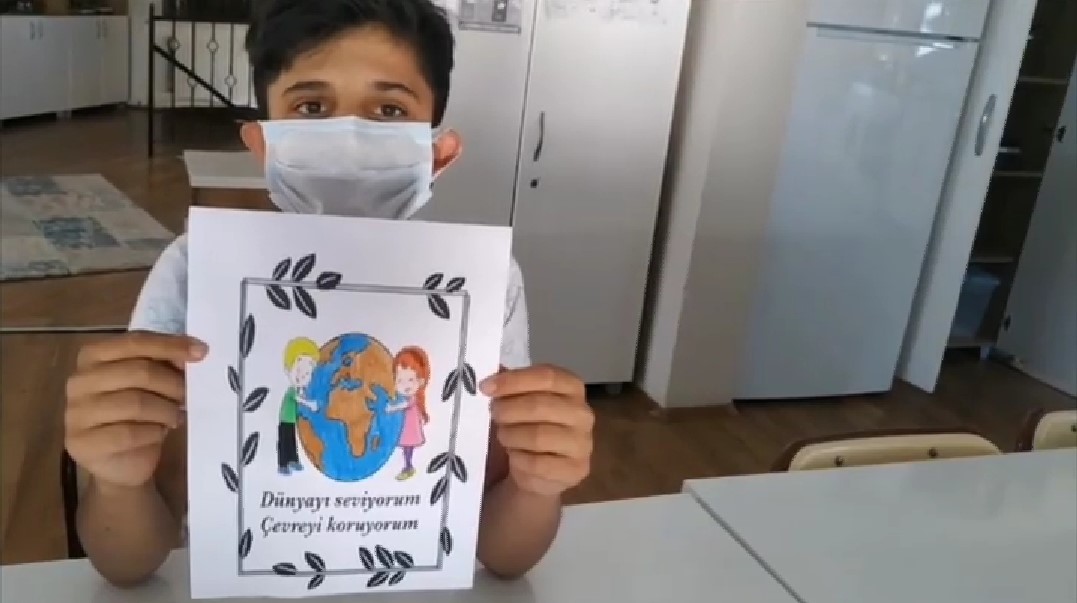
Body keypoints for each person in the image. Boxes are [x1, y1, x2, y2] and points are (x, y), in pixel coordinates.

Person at [63, 0, 594, 588]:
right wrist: (117, 481)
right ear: (263, 144)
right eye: (311, 107)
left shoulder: (481, 287)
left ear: (437, 153)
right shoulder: (197, 273)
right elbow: (126, 563)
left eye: (389, 109)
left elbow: (505, 556)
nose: (350, 139)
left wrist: (536, 485)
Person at [388, 346, 432, 481]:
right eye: (400, 380)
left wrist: (392, 408)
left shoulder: (412, 399)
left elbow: (404, 405)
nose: (405, 385)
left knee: (408, 447)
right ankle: (408, 466)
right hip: (406, 428)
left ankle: (408, 467)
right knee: (407, 448)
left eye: (411, 380)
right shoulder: (403, 398)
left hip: (410, 429)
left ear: (421, 380)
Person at [279, 337, 319, 475]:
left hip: (291, 420)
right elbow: (297, 399)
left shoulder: (299, 390)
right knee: (285, 442)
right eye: (298, 371)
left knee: (291, 441)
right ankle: (283, 464)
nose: (302, 376)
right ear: (288, 369)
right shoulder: (292, 390)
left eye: (307, 373)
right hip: (286, 420)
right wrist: (310, 404)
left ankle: (293, 460)